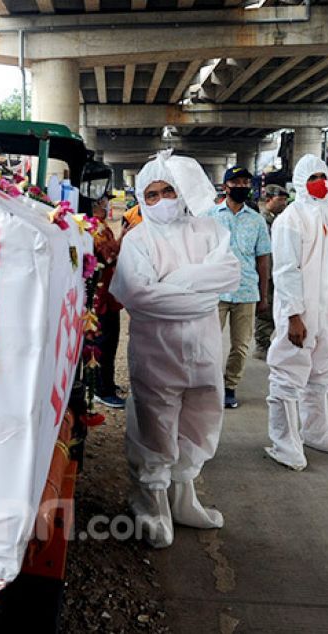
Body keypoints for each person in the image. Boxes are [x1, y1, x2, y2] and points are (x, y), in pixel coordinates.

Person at [110, 150, 241, 548]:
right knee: (156, 425)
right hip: (157, 353)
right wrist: (200, 291)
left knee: (200, 420)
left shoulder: (209, 231)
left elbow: (231, 273)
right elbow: (139, 296)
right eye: (151, 194)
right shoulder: (138, 240)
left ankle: (184, 498)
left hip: (203, 351)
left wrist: (173, 282)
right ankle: (151, 503)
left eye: (169, 190)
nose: (162, 200)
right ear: (140, 198)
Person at [265, 154, 328, 471]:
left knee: (320, 372)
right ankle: (283, 442)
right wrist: (293, 315)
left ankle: (316, 431)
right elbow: (286, 271)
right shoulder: (290, 218)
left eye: (323, 175)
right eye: (313, 176)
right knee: (288, 373)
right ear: (301, 181)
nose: (320, 181)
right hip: (300, 312)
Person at [202, 165, 271, 409]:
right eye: (236, 182)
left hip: (246, 291)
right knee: (208, 344)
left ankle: (230, 386)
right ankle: (210, 386)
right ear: (225, 187)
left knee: (241, 346)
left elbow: (263, 259)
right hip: (216, 292)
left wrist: (263, 296)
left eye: (245, 182)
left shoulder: (257, 221)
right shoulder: (209, 217)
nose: (241, 186)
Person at [89, 193, 125, 408]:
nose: (107, 204)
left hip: (109, 294)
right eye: (105, 201)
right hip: (100, 296)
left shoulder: (102, 225)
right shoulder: (95, 228)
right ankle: (101, 389)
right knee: (102, 343)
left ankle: (107, 384)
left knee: (110, 343)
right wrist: (122, 242)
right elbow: (107, 256)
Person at [254, 184, 289, 359]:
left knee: (282, 307)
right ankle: (262, 345)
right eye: (280, 199)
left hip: (281, 271)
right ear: (268, 199)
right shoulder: (260, 220)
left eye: (285, 200)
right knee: (265, 309)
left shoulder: (283, 219)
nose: (284, 203)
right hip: (266, 272)